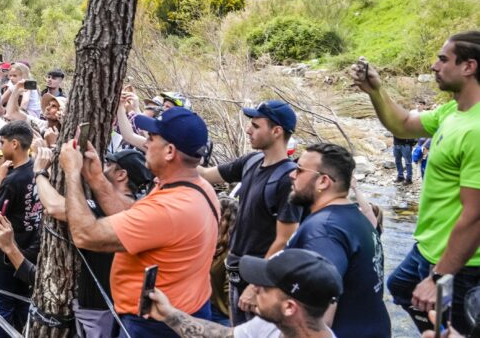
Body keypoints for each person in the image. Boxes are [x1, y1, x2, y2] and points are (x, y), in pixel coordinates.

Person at [352, 33, 480, 335]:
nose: (434, 66)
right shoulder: (453, 111)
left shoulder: (476, 129)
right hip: (429, 248)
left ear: (469, 66)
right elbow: (404, 123)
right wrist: (375, 90)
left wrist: (439, 276)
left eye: (443, 59)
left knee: (454, 331)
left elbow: (475, 216)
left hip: (461, 265)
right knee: (400, 286)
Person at [60, 107, 220, 337]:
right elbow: (139, 217)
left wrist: (72, 173)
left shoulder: (171, 208)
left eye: (151, 138)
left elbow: (86, 235)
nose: (145, 143)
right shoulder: (196, 187)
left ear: (170, 151)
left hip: (155, 326)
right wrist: (96, 178)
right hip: (182, 310)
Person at [199, 100, 304, 324]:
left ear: (276, 131)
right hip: (237, 274)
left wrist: (257, 285)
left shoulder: (288, 179)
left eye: (256, 126)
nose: (249, 130)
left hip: (259, 284)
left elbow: (285, 240)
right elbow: (207, 174)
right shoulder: (252, 161)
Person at [34, 143, 152, 337]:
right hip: (120, 304)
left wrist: (39, 172)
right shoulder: (139, 206)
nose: (101, 167)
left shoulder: (103, 208)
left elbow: (54, 206)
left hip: (99, 307)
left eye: (108, 163)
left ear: (121, 175)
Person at [285, 142, 390, 337]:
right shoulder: (358, 219)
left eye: (299, 170)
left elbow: (319, 314)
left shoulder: (323, 230)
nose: (292, 175)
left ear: (323, 181)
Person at [147, 248, 343, 338]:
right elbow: (224, 336)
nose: (255, 288)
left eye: (265, 287)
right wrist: (169, 314)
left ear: (289, 307)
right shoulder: (274, 325)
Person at [0, 121, 42, 337]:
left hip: (1, 255)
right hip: (28, 251)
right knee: (21, 306)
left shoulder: (11, 179)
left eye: (3, 142)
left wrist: (1, 179)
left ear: (14, 144)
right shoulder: (38, 169)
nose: (1, 146)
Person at [210, 196, 240, 326]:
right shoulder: (212, 244)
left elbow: (231, 295)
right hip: (207, 306)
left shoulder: (231, 254)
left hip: (221, 315)